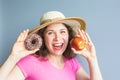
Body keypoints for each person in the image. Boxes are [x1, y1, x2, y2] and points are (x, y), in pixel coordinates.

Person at [0, 11, 103, 80]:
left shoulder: (72, 63)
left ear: (69, 35)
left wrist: (92, 59)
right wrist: (13, 57)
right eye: (50, 33)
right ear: (43, 37)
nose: (57, 38)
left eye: (62, 32)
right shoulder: (30, 62)